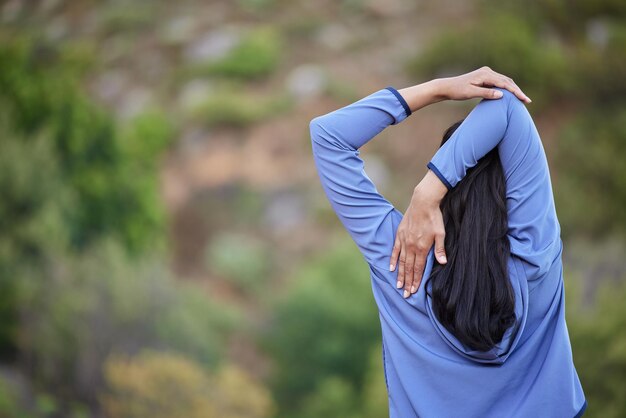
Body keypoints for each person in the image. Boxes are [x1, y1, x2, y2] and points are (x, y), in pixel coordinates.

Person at [309, 67, 586, 417]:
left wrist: (440, 89)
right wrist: (432, 186)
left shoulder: (399, 258)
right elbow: (507, 110)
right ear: (513, 192)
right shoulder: (534, 250)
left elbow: (327, 135)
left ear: (449, 195)